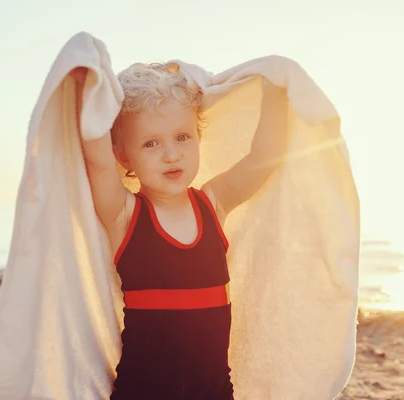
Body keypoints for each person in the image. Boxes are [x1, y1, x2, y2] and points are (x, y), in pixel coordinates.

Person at [70, 61, 288, 400]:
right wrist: (88, 88)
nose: (171, 154)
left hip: (214, 392)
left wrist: (278, 86)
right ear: (123, 156)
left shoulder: (213, 205)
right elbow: (96, 160)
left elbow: (267, 155)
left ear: (198, 138)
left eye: (182, 137)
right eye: (150, 144)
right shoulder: (124, 216)